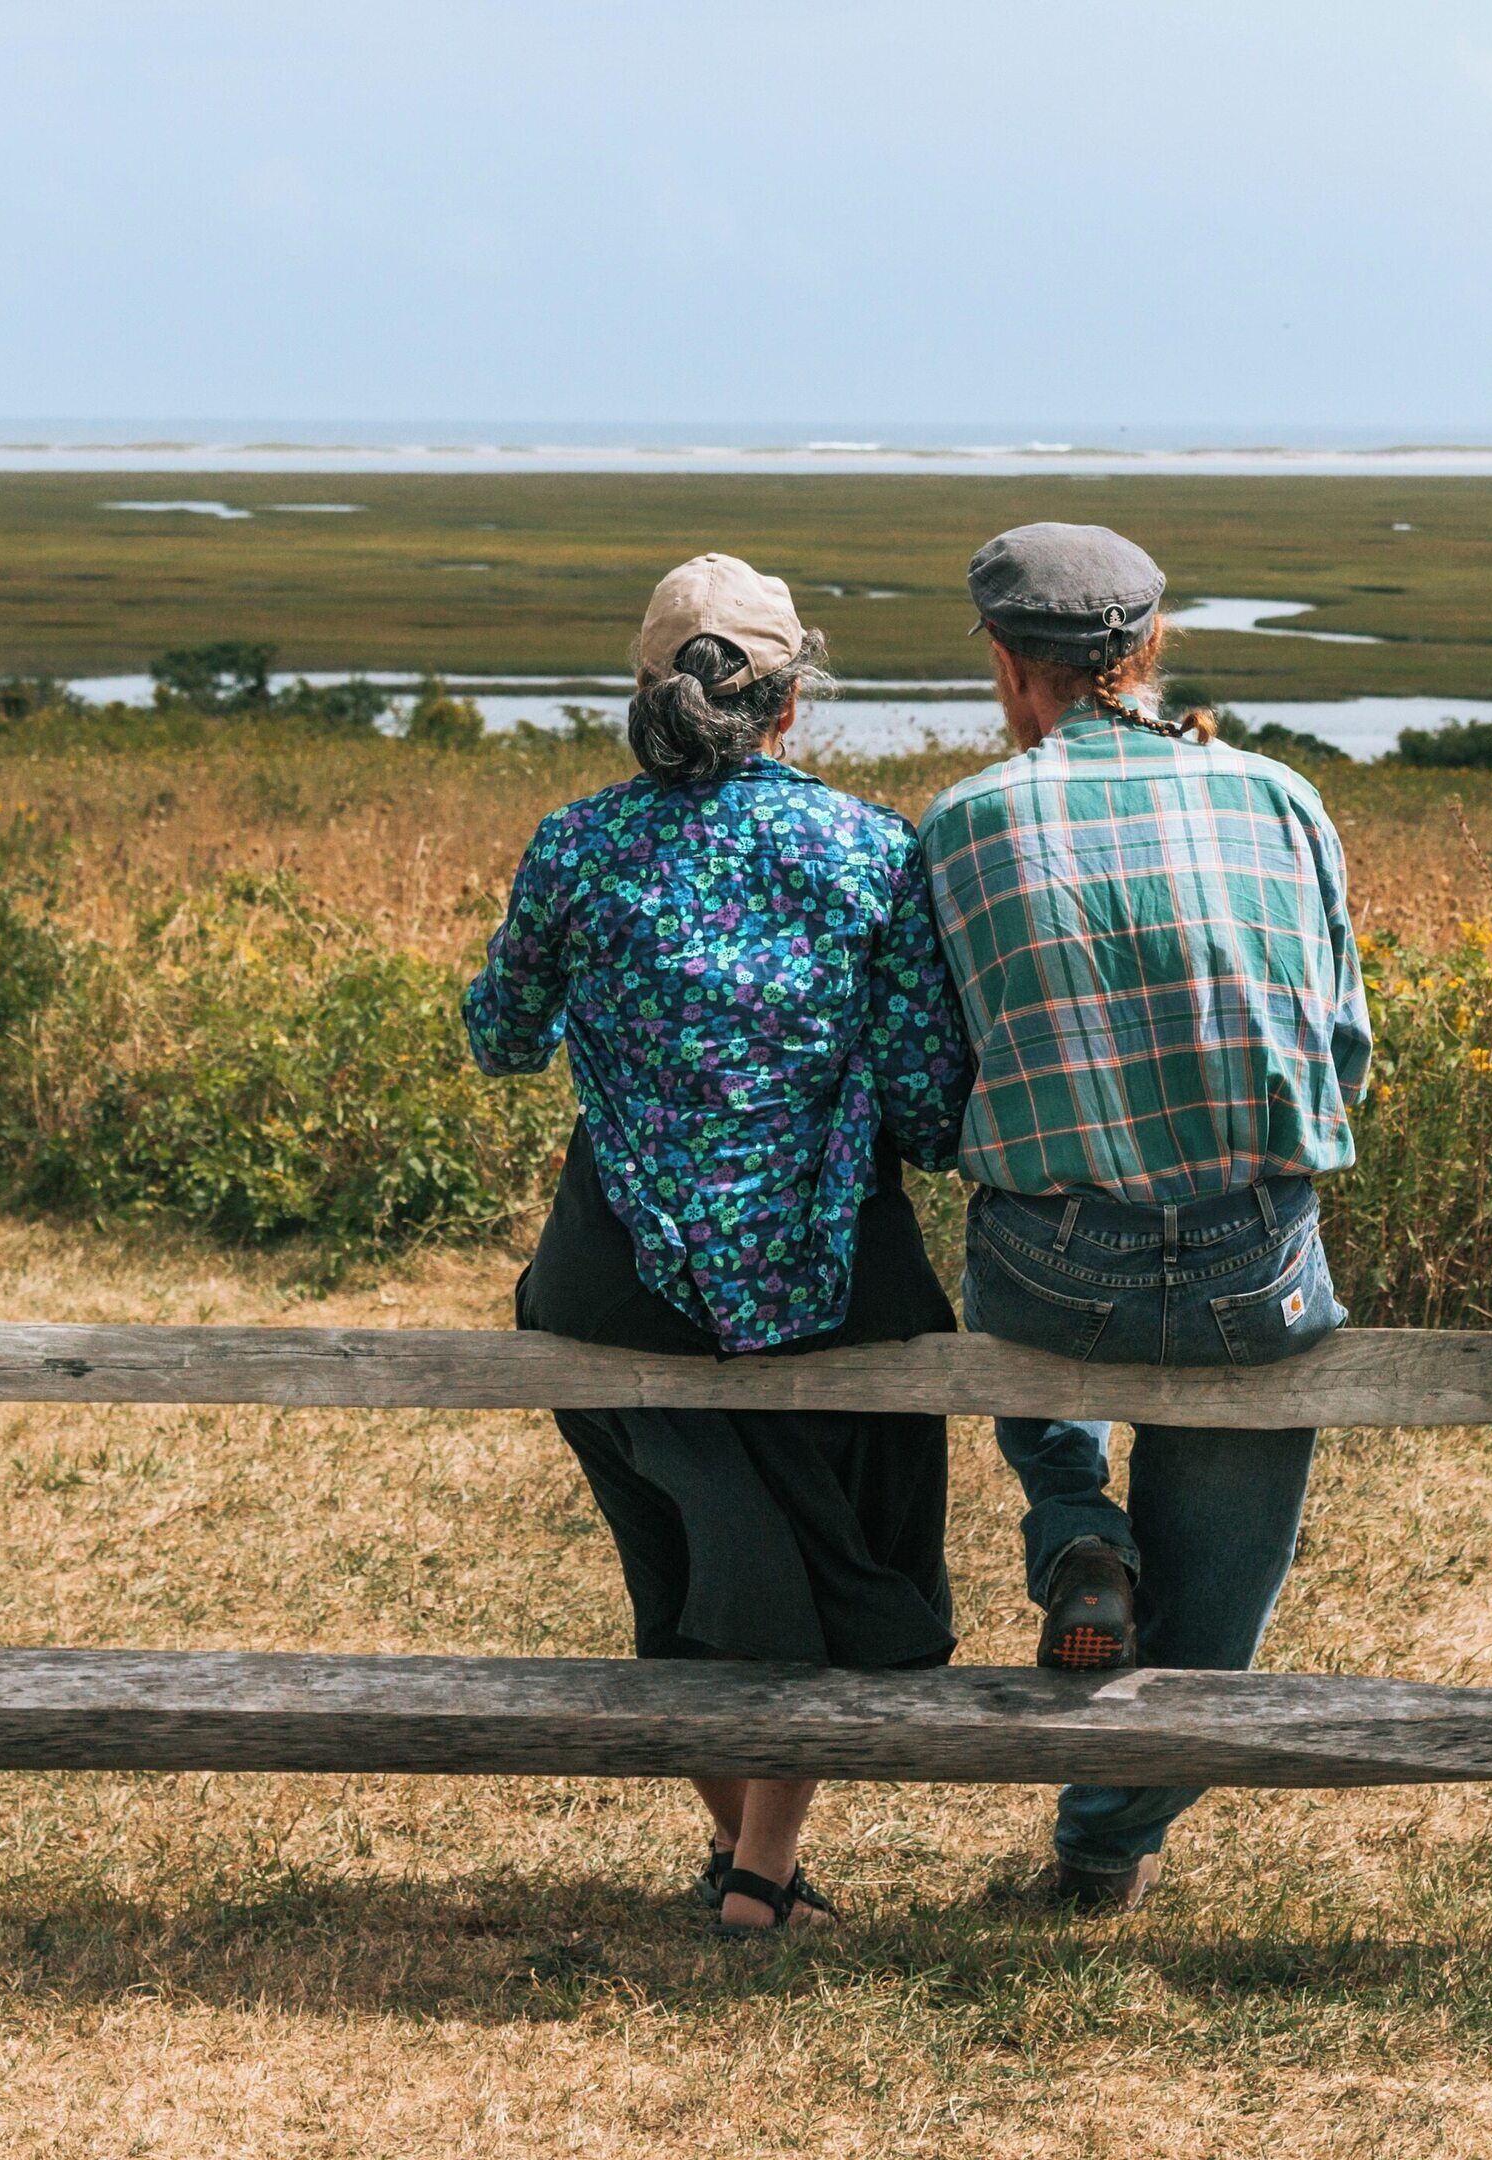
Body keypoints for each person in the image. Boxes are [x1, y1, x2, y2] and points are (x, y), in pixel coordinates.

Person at [463, 552, 973, 1940]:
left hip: (617, 1285)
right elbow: (928, 1102)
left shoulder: (574, 846)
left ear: (644, 698)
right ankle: (763, 1872)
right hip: (833, 1283)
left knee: (681, 1567)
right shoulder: (873, 851)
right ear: (791, 706)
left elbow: (501, 1040)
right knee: (816, 1576)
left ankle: (751, 1864)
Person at [917, 522, 1374, 1913]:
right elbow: (1346, 1051)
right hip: (1255, 1263)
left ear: (1009, 666)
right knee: (1221, 1596)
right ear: (1150, 648)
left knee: (1018, 1281)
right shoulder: (1285, 798)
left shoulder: (962, 823)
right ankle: (1103, 1850)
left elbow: (939, 1083)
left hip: (1059, 1266)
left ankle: (1071, 1520)